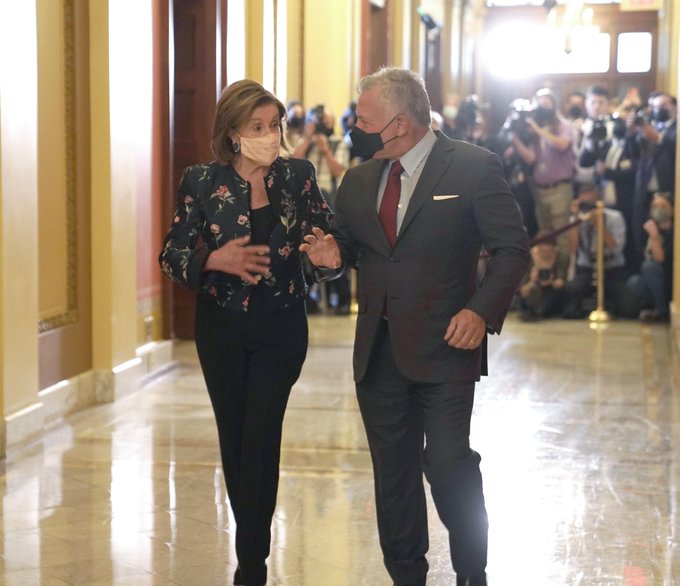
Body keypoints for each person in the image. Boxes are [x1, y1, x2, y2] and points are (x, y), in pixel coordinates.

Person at [300, 67, 530, 586]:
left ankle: (472, 567)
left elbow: (513, 251)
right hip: (378, 352)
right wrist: (330, 258)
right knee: (394, 476)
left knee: (447, 463)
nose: (355, 129)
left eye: (364, 120)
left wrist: (479, 310)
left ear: (400, 123)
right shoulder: (359, 181)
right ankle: (407, 576)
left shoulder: (473, 167)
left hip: (448, 345)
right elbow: (346, 249)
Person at [159, 80, 332, 586]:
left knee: (259, 435)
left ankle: (251, 564)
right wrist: (214, 259)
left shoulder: (298, 176)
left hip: (282, 326)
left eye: (274, 125)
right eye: (256, 127)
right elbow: (171, 254)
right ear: (233, 132)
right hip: (222, 329)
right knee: (235, 439)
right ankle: (251, 552)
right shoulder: (200, 181)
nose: (269, 135)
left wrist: (329, 258)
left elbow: (326, 242)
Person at [292, 105, 351, 314]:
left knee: (333, 245)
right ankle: (309, 299)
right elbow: (292, 163)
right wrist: (308, 139)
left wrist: (325, 149)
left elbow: (338, 170)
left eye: (325, 121)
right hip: (303, 202)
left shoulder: (338, 142)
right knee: (305, 248)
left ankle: (342, 299)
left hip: (329, 200)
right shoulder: (303, 142)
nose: (321, 125)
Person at [512, 88, 575, 278]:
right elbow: (531, 158)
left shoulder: (563, 125)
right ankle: (545, 276)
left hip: (559, 188)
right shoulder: (536, 129)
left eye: (547, 104)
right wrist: (515, 138)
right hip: (540, 190)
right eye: (540, 104)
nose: (543, 108)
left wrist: (539, 131)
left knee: (561, 234)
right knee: (545, 235)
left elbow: (563, 145)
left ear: (554, 105)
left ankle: (561, 277)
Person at [562, 183, 628, 319]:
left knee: (628, 307)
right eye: (584, 204)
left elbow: (615, 248)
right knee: (569, 300)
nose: (588, 208)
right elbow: (573, 248)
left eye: (591, 204)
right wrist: (575, 218)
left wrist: (599, 223)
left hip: (611, 269)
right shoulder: (577, 219)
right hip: (587, 269)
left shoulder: (615, 217)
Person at [623, 192, 674, 322]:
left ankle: (662, 310)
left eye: (663, 206)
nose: (659, 209)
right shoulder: (647, 228)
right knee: (635, 282)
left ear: (672, 209)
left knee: (649, 267)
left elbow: (660, 258)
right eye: (655, 206)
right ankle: (653, 308)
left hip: (670, 277)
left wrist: (654, 236)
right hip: (653, 281)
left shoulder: (674, 232)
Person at [518, 233, 566, 321]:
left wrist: (552, 282)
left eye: (549, 245)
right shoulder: (528, 259)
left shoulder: (560, 258)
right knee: (533, 291)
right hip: (534, 292)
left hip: (552, 292)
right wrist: (532, 280)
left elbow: (561, 282)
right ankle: (531, 311)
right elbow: (523, 292)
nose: (546, 248)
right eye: (543, 244)